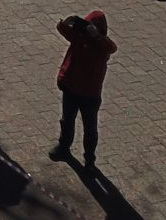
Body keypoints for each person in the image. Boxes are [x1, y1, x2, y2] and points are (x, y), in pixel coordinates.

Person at [50, 10, 118, 170]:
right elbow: (63, 30)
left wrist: (96, 36)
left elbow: (111, 47)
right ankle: (63, 147)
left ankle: (89, 160)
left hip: (89, 95)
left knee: (90, 129)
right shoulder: (79, 37)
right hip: (71, 89)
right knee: (67, 121)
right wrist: (66, 22)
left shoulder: (102, 47)